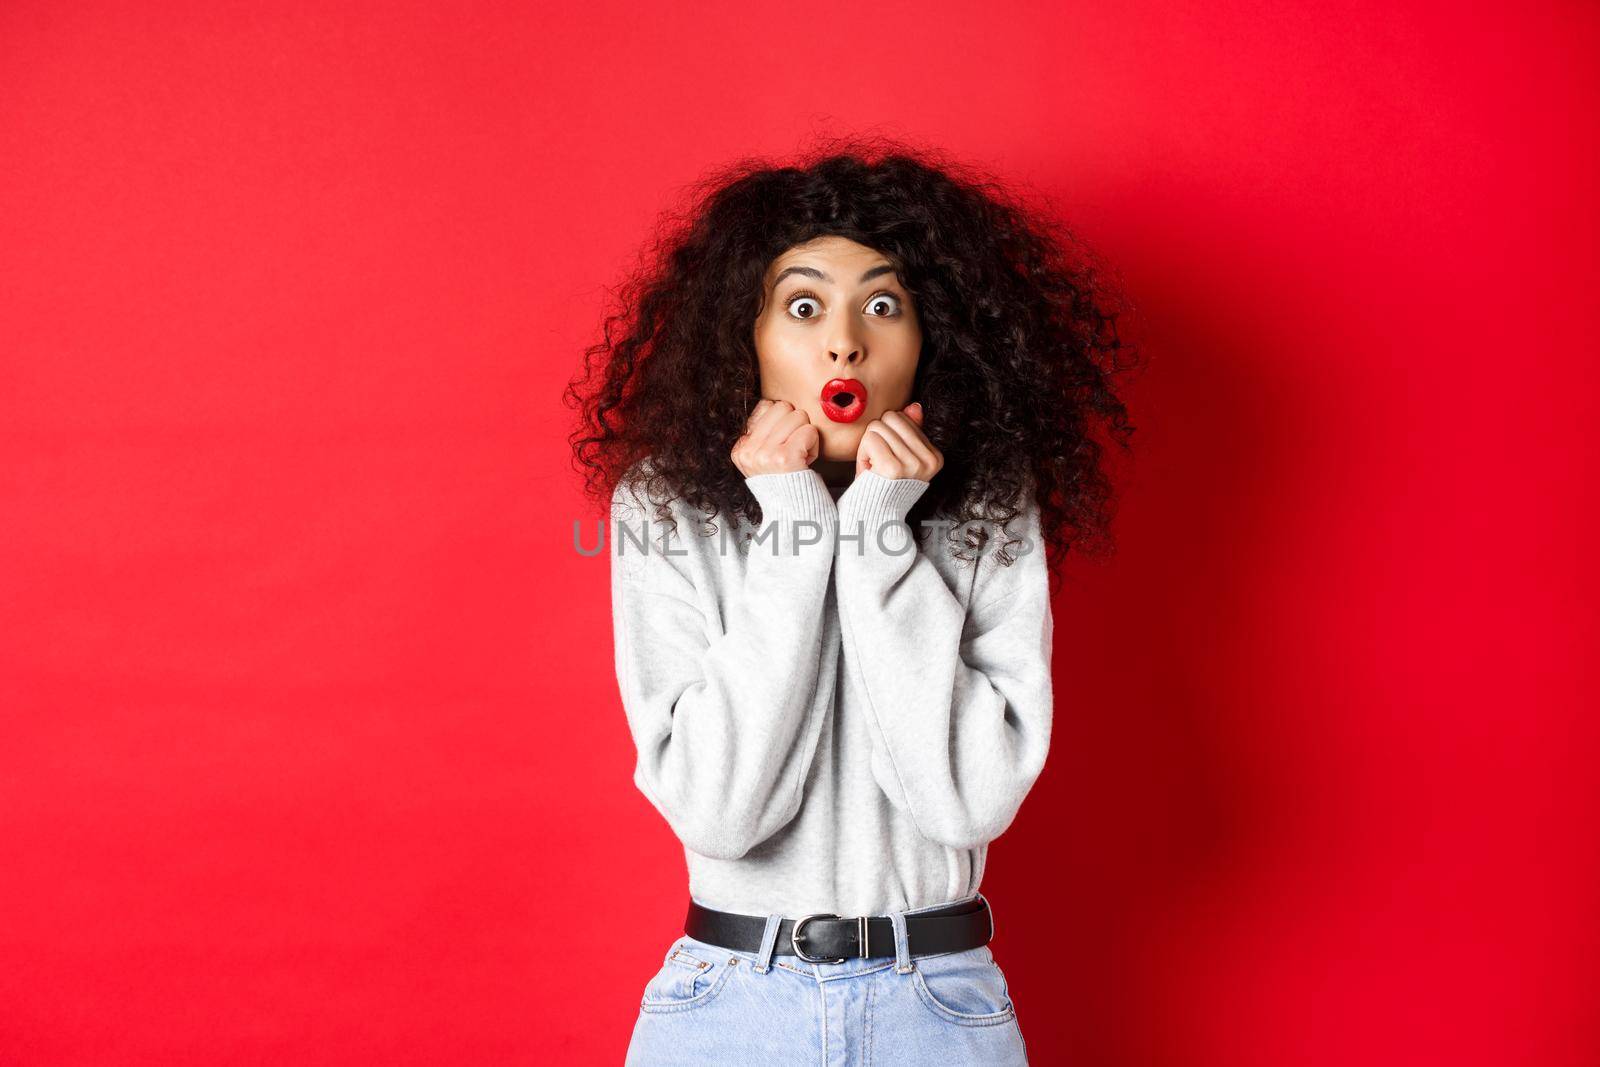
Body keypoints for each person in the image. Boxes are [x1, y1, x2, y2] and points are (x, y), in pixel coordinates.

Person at [565, 137, 1139, 1063]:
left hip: (939, 1006)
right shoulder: (665, 506)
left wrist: (877, 530)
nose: (845, 340)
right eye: (802, 306)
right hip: (728, 1006)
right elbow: (720, 814)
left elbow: (965, 800)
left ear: (932, 340)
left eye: (883, 304)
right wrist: (794, 525)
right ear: (742, 339)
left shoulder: (987, 507)